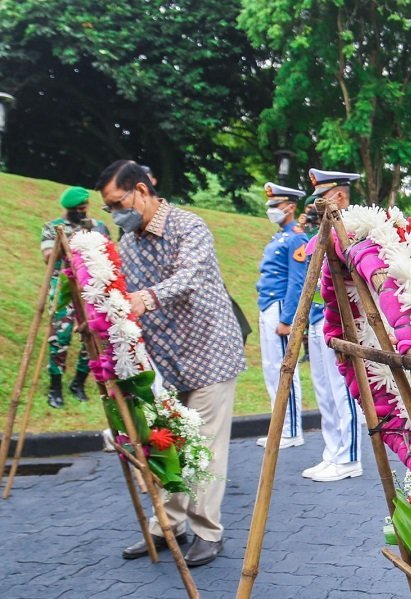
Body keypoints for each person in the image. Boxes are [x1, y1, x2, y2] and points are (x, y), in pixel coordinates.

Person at [96, 160, 246, 567]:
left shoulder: (187, 226)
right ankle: (168, 527)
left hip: (210, 353)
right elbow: (118, 291)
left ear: (141, 191)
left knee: (201, 445)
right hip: (165, 363)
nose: (115, 213)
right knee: (166, 443)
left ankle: (207, 532)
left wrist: (147, 298)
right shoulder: (127, 243)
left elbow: (191, 276)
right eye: (109, 208)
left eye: (117, 203)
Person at [300, 168, 363, 483]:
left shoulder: (353, 231)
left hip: (340, 320)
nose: (316, 206)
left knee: (342, 390)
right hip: (317, 317)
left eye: (322, 198)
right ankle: (333, 453)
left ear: (339, 196)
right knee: (323, 390)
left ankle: (349, 457)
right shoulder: (320, 235)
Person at [40, 186, 110, 408]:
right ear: (67, 209)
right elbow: (48, 257)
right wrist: (69, 239)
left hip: (91, 289)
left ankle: (78, 383)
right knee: (59, 339)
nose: (81, 212)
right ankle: (55, 387)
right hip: (64, 291)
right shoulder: (52, 228)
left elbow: (107, 253)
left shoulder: (99, 227)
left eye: (83, 208)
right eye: (76, 210)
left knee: (91, 339)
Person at [255, 181, 308, 449]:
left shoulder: (297, 237)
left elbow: (297, 282)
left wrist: (287, 319)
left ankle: (291, 430)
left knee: (285, 370)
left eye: (275, 205)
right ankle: (281, 427)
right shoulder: (280, 237)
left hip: (279, 309)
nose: (272, 210)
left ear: (289, 206)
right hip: (267, 305)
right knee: (270, 369)